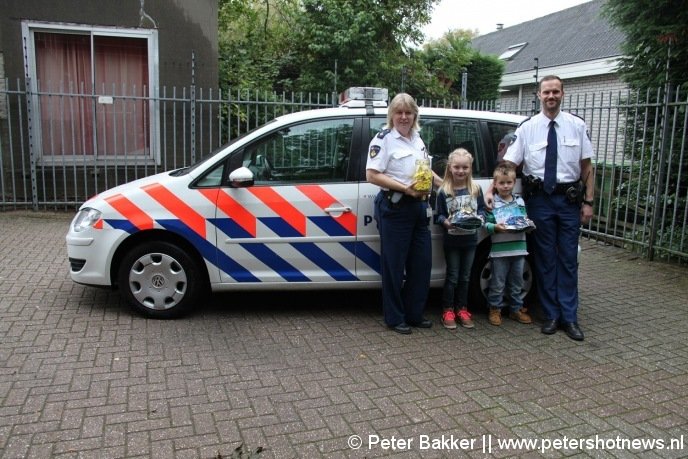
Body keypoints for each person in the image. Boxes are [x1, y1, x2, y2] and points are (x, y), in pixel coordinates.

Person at [493, 75, 595, 341]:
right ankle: (551, 315)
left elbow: (587, 168)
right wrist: (491, 190)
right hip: (539, 201)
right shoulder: (528, 128)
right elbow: (510, 166)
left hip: (569, 200)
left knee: (568, 259)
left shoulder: (577, 126)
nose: (551, 96)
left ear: (562, 94)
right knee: (546, 259)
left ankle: (570, 318)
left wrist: (589, 202)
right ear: (538, 95)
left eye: (555, 92)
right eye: (546, 92)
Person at [366, 93, 441, 335]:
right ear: (392, 115)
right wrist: (404, 188)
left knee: (421, 265)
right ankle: (395, 318)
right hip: (396, 207)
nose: (404, 117)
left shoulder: (418, 139)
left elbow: (426, 172)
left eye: (408, 112)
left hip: (419, 208)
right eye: (399, 112)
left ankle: (414, 314)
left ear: (415, 116)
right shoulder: (384, 139)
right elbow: (372, 175)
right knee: (394, 267)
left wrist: (447, 185)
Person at [435, 148, 486, 330]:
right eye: (457, 167)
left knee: (465, 277)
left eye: (465, 167)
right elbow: (438, 215)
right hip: (452, 242)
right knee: (453, 276)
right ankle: (447, 310)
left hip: (471, 241)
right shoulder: (444, 191)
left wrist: (480, 219)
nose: (461, 171)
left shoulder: (475, 189)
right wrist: (445, 222)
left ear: (470, 168)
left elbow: (481, 210)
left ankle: (462, 309)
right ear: (450, 168)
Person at [484, 163, 532, 326]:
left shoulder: (519, 201)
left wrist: (528, 225)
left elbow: (524, 220)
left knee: (517, 282)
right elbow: (486, 225)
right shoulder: (492, 203)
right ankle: (494, 309)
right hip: (499, 252)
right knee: (497, 283)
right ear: (495, 184)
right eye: (502, 183)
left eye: (509, 182)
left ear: (514, 183)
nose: (505, 186)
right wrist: (494, 227)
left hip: (519, 250)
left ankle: (515, 309)